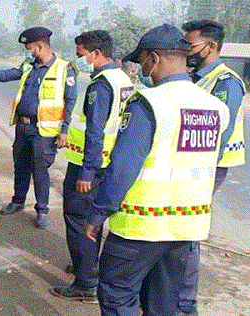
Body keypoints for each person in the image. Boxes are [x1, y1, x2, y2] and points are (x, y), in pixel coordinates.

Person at [83, 24, 229, 315]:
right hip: (186, 226)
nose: (141, 68)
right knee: (163, 303)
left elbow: (122, 169)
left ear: (154, 58)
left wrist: (97, 214)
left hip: (140, 226)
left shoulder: (148, 103)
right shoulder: (215, 107)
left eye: (142, 61)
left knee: (117, 296)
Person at [52, 30, 133, 302]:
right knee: (92, 219)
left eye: (81, 54)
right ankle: (87, 266)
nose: (80, 60)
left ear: (96, 53)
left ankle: (86, 282)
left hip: (89, 165)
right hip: (107, 163)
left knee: (79, 220)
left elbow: (95, 132)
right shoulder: (121, 79)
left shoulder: (100, 85)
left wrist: (86, 171)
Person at [177, 20, 247, 316]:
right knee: (176, 226)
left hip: (209, 167)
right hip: (187, 164)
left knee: (189, 229)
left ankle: (185, 303)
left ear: (211, 46)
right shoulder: (193, 77)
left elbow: (220, 129)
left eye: (191, 46)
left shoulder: (226, 82)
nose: (187, 51)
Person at [0, 26, 77, 228]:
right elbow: (11, 74)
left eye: (30, 48)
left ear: (40, 46)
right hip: (23, 126)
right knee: (20, 165)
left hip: (44, 131)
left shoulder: (64, 69)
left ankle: (42, 210)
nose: (28, 52)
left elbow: (70, 102)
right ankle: (18, 201)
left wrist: (64, 130)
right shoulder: (29, 65)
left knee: (40, 170)